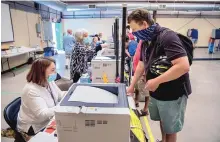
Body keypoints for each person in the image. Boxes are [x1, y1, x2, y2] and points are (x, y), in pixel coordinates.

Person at [127, 9, 191, 142]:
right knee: (163, 121)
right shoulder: (146, 40)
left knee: (171, 128)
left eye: (134, 28)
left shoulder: (167, 37)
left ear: (144, 24)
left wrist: (157, 81)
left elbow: (183, 66)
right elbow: (141, 64)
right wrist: (132, 86)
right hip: (157, 92)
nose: (132, 33)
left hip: (172, 93)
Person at [17, 57, 65, 140]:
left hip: (48, 118)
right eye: (52, 70)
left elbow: (60, 95)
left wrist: (72, 95)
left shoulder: (48, 81)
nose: (55, 72)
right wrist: (63, 107)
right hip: (34, 127)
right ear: (41, 72)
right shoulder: (31, 90)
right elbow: (42, 114)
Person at [133, 40, 150, 116]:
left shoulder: (148, 42)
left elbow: (148, 59)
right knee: (136, 87)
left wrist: (145, 74)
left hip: (143, 71)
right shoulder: (141, 41)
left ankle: (145, 109)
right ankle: (136, 100)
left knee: (146, 91)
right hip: (137, 69)